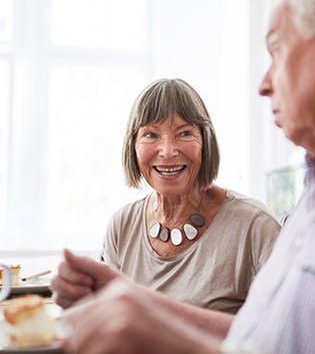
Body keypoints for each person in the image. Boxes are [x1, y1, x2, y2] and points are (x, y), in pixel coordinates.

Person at [57, 0, 315, 353]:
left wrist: (159, 332)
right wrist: (129, 300)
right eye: (150, 135)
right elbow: (260, 339)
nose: (264, 84)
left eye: (277, 50)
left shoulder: (260, 222)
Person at [52, 78, 280, 315]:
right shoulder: (122, 225)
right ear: (133, 146)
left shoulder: (255, 225)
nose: (168, 151)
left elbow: (278, 335)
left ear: (205, 141)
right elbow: (107, 320)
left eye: (184, 133)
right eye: (151, 135)